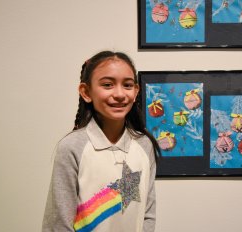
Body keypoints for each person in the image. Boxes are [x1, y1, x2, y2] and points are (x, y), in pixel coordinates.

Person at [42, 51, 160, 232]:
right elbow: (58, 223)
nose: (120, 94)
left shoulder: (144, 145)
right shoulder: (72, 147)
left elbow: (148, 214)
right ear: (86, 92)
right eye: (107, 84)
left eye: (127, 85)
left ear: (136, 91)